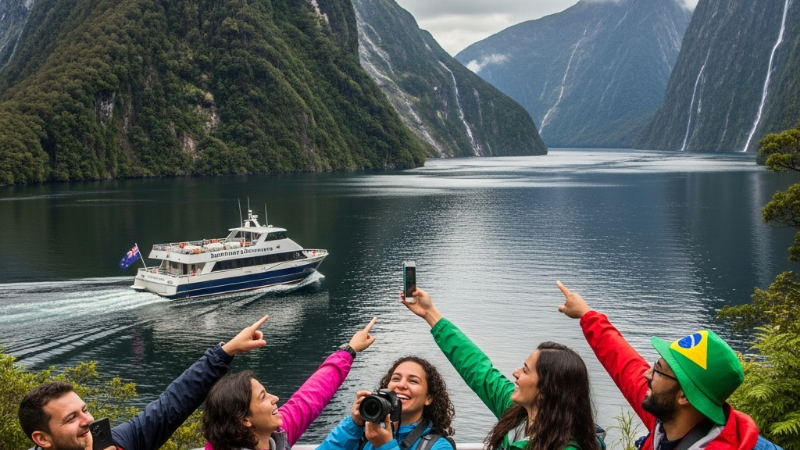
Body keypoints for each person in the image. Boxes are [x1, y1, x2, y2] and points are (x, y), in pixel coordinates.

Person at [556, 281, 782, 450]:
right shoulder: (665, 420)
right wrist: (587, 315)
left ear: (684, 396)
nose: (646, 374)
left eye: (658, 370)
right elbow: (624, 363)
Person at [18, 314, 272, 450]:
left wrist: (226, 351)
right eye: (71, 418)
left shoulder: (116, 441)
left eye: (84, 410)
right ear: (42, 439)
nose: (87, 420)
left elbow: (171, 405)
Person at [402, 288, 600, 450]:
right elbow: (478, 369)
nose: (515, 373)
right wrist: (430, 314)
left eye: (525, 370)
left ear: (545, 393)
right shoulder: (517, 413)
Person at [203, 317, 378, 450]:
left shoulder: (277, 436)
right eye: (262, 396)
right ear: (244, 420)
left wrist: (349, 350)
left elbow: (311, 395)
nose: (275, 398)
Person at [316, 355, 455, 450]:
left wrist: (385, 446)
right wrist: (353, 425)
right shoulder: (366, 434)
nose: (401, 385)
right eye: (395, 379)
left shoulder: (438, 446)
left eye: (413, 381)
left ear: (428, 398)